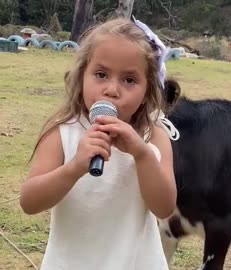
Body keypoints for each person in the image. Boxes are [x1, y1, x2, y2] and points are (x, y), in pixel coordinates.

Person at [19, 16, 179, 270]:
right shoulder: (62, 132)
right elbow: (29, 202)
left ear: (147, 89)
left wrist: (142, 154)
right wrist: (73, 168)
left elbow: (164, 208)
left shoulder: (154, 136)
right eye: (101, 75)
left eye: (129, 80)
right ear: (82, 75)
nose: (112, 90)